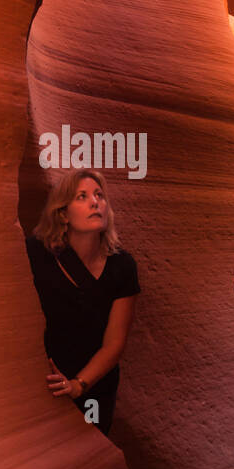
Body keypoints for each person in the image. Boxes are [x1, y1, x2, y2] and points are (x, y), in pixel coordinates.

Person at [24, 168, 140, 437]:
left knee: (90, 460)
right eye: (82, 197)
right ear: (62, 213)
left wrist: (78, 384)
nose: (94, 202)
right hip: (44, 382)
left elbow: (115, 343)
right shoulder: (37, 254)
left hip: (95, 386)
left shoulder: (122, 266)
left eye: (99, 196)